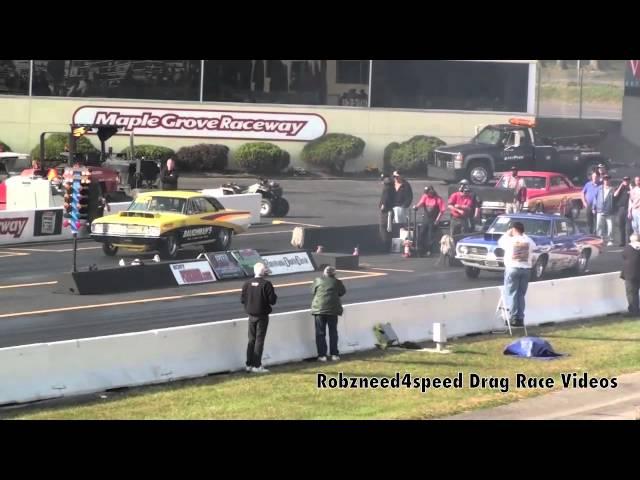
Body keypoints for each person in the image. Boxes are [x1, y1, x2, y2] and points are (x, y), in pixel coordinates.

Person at [498, 221, 537, 327]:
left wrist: (507, 234)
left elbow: (500, 242)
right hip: (526, 270)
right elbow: (534, 247)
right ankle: (520, 317)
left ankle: (514, 317)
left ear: (514, 229)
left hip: (513, 268)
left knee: (512, 294)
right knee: (521, 295)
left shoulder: (510, 240)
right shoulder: (529, 240)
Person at [241, 262, 277, 373]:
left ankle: (249, 364)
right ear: (264, 272)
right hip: (262, 315)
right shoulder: (266, 284)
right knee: (259, 340)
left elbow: (242, 300)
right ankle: (257, 365)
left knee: (251, 340)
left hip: (251, 315)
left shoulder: (247, 283)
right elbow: (272, 301)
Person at [311, 266, 346, 362]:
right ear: (334, 274)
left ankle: (322, 355)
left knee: (320, 333)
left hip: (319, 309)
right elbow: (342, 292)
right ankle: (334, 354)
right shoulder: (337, 282)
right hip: (332, 310)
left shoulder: (317, 280)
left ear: (324, 273)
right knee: (333, 332)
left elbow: (312, 291)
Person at [413, 186, 446, 256]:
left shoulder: (438, 199)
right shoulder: (425, 196)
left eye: (428, 193)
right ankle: (420, 249)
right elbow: (421, 203)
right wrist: (416, 207)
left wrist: (437, 220)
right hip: (426, 218)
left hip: (433, 219)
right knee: (422, 233)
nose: (427, 194)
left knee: (430, 235)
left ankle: (429, 250)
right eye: (426, 193)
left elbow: (442, 211)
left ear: (432, 192)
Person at [594, 174, 615, 246]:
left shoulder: (612, 189)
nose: (606, 181)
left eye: (607, 179)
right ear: (603, 180)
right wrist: (593, 207)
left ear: (609, 180)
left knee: (610, 226)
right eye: (605, 179)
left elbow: (615, 199)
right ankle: (600, 239)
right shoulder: (599, 188)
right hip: (600, 209)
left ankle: (610, 240)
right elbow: (595, 198)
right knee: (599, 226)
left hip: (609, 210)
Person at [621, 234, 640, 317]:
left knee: (631, 293)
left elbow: (624, 256)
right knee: (634, 293)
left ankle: (634, 310)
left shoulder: (627, 248)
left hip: (630, 274)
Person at [614, 176, 632, 246]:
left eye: (627, 180)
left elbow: (633, 194)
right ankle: (622, 242)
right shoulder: (620, 188)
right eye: (624, 180)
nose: (626, 181)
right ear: (623, 181)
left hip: (628, 209)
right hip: (621, 209)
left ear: (629, 181)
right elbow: (615, 195)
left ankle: (630, 241)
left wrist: (630, 187)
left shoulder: (630, 188)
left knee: (629, 228)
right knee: (621, 226)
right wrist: (621, 186)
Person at [379, 176, 395, 248]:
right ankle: (388, 245)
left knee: (383, 227)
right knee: (388, 228)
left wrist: (383, 205)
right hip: (390, 210)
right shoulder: (393, 188)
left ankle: (384, 245)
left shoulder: (386, 189)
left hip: (386, 211)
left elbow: (385, 198)